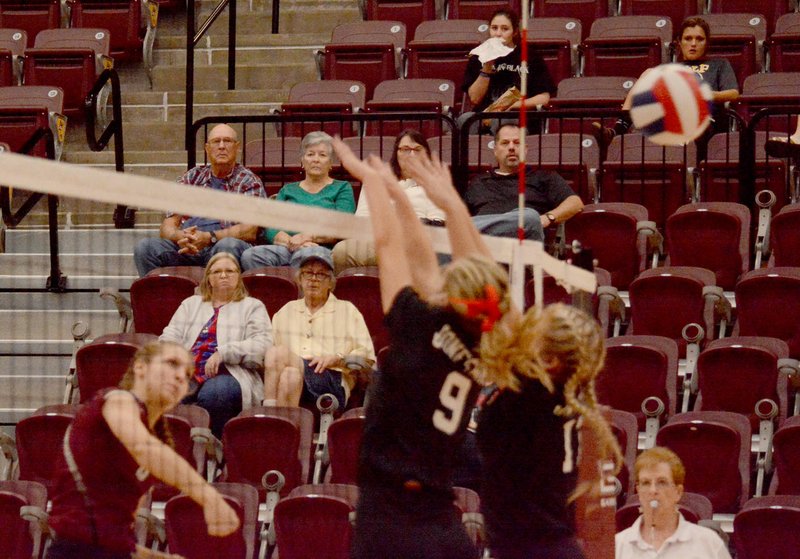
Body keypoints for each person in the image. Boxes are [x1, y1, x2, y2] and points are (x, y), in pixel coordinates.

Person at [333, 137, 515, 559]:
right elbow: (436, 271)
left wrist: (380, 187)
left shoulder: (418, 324)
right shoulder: (481, 343)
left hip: (386, 518)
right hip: (438, 519)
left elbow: (390, 248)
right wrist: (445, 205)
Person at [46, 342, 240, 559]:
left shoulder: (156, 439)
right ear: (140, 367)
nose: (180, 377)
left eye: (187, 374)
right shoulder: (118, 400)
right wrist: (210, 498)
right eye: (172, 364)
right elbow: (144, 449)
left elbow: (116, 539)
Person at [475, 302, 622, 559]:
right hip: (550, 547)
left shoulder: (524, 398)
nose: (527, 325)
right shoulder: (555, 397)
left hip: (531, 550)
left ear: (549, 359)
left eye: (535, 326)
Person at [160, 252, 272, 438]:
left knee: (217, 394)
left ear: (238, 276)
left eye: (230, 271)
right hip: (187, 371)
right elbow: (169, 336)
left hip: (230, 372)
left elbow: (263, 343)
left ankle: (214, 448)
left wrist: (224, 353)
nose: (223, 275)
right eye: (217, 271)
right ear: (208, 278)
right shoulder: (190, 304)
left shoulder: (252, 306)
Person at [134, 123, 266, 277]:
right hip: (188, 247)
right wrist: (181, 237)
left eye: (227, 141)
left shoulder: (249, 181)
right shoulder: (192, 177)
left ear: (237, 147)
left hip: (221, 245)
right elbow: (168, 225)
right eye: (216, 141)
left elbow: (250, 230)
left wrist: (209, 237)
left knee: (228, 245)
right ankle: (157, 298)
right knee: (145, 247)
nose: (222, 146)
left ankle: (219, 297)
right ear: (207, 148)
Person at [594, 16, 739, 144]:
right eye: (688, 38)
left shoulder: (719, 64)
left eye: (699, 39)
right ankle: (617, 130)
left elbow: (734, 94)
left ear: (707, 43)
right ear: (679, 43)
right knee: (649, 73)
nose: (693, 44)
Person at [263, 246, 375, 409]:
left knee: (278, 353)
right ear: (300, 280)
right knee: (289, 375)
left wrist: (337, 358)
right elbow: (270, 364)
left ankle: (267, 414)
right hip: (292, 376)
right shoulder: (286, 310)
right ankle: (280, 428)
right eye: (308, 273)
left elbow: (367, 358)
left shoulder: (347, 310)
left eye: (321, 274)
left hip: (331, 378)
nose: (313, 279)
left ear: (331, 282)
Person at [331, 129, 445, 273]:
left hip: (415, 240)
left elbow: (437, 222)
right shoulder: (376, 179)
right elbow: (362, 220)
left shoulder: (434, 183)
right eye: (405, 149)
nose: (411, 155)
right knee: (342, 250)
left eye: (417, 149)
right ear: (396, 153)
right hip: (378, 239)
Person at [240, 131, 355, 270]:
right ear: (302, 160)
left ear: (331, 162)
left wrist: (309, 237)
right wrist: (291, 242)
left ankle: (299, 290)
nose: (316, 159)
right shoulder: (287, 190)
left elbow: (342, 225)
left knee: (307, 254)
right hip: (287, 248)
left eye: (322, 155)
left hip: (320, 250)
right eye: (310, 154)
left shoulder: (342, 188)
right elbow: (271, 226)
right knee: (250, 255)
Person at [465, 123, 584, 241]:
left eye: (517, 143)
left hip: (523, 246)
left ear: (525, 149)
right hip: (483, 246)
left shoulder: (543, 177)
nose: (511, 147)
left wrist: (547, 218)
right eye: (505, 143)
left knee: (530, 217)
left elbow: (576, 203)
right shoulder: (479, 182)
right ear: (495, 150)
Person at [615, 447, 733, 559]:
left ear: (678, 492)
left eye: (662, 482)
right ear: (639, 492)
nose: (653, 490)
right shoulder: (617, 546)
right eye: (646, 483)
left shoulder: (709, 544)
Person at [462, 9, 555, 118]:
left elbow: (544, 98)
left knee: (503, 120)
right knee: (464, 120)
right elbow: (475, 99)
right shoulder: (478, 56)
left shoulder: (531, 56)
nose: (498, 34)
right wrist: (487, 67)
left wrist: (514, 106)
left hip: (517, 114)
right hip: (485, 114)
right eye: (494, 28)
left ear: (515, 31)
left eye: (505, 29)